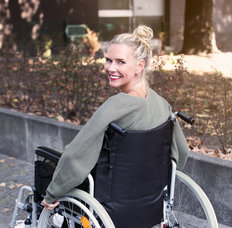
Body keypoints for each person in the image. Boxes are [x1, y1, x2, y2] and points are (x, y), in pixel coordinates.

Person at [42, 25, 189, 211]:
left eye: (120, 62)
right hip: (147, 196)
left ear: (140, 66)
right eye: (108, 60)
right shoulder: (162, 105)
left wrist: (52, 193)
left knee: (49, 164)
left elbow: (76, 155)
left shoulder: (114, 107)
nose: (111, 68)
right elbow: (181, 152)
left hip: (110, 197)